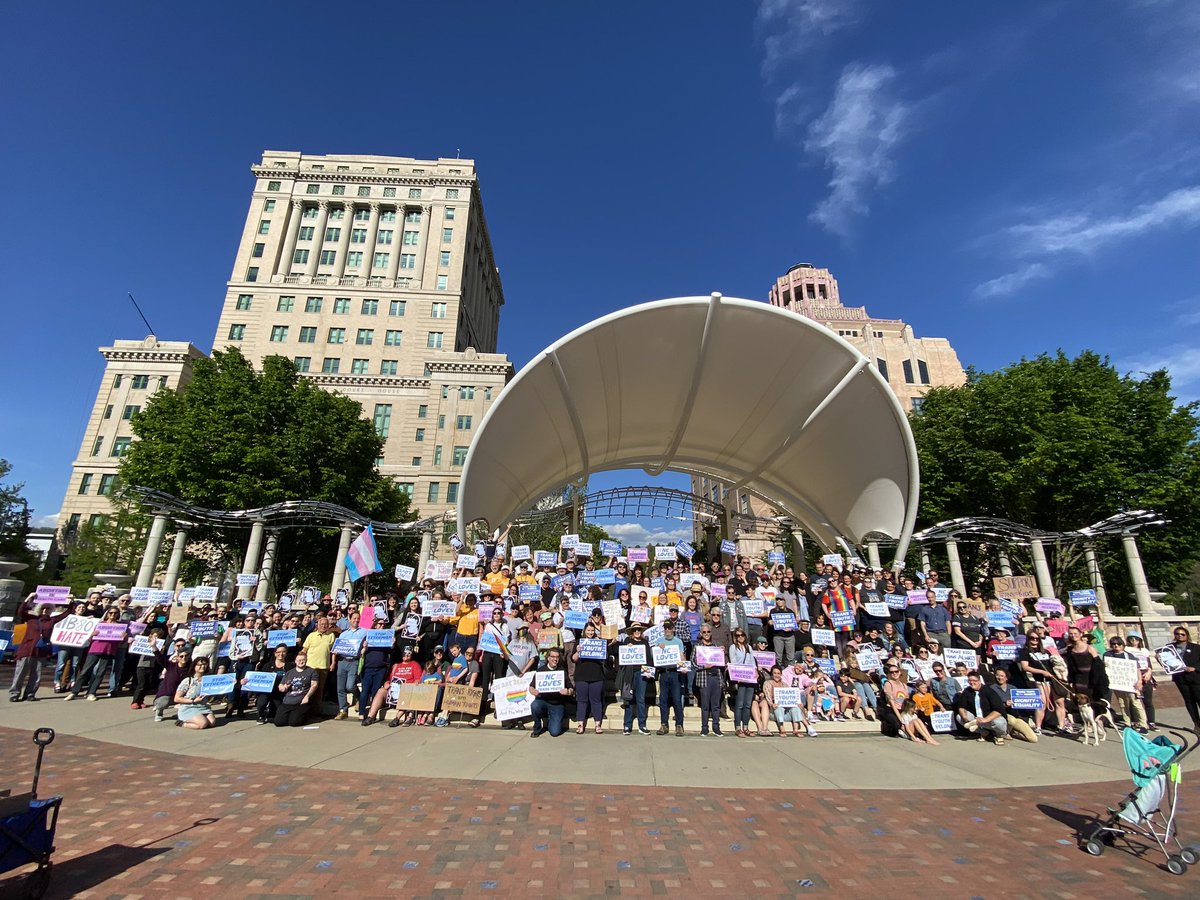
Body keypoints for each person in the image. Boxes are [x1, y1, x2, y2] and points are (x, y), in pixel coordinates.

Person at [9, 599, 65, 702]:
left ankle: (30, 693)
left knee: (36, 674)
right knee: (20, 673)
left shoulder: (51, 620)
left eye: (47, 608)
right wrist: (28, 599)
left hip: (41, 651)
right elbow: (20, 611)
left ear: (51, 610)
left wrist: (71, 602)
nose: (45, 610)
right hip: (26, 649)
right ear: (39, 609)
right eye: (43, 608)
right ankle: (15, 693)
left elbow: (66, 614)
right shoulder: (31, 618)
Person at [66, 606, 126, 701]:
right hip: (95, 649)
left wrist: (123, 637)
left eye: (115, 613)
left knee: (100, 673)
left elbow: (121, 643)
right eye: (111, 613)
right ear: (107, 614)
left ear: (118, 615)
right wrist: (92, 634)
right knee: (85, 671)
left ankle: (92, 692)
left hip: (109, 651)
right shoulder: (99, 624)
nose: (113, 615)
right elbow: (88, 638)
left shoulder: (120, 627)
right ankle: (74, 692)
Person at [1019, 632, 1069, 735]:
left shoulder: (1046, 651)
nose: (1035, 640)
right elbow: (1025, 667)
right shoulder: (1025, 651)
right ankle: (1038, 727)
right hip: (1040, 680)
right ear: (1028, 639)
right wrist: (1042, 672)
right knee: (1042, 704)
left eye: (1037, 638)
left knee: (1060, 702)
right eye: (1032, 638)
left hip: (1054, 679)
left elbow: (1054, 663)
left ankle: (1061, 726)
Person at [571, 622, 609, 734]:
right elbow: (573, 659)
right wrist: (578, 652)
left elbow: (605, 657)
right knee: (582, 701)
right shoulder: (579, 642)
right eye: (588, 630)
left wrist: (601, 646)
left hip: (596, 675)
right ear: (584, 631)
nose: (590, 633)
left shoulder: (600, 642)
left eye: (592, 630)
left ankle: (598, 725)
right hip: (581, 676)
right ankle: (580, 724)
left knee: (596, 700)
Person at [1104, 636, 1148, 732]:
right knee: (1122, 703)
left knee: (1136, 703)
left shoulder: (1129, 656)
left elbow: (1137, 669)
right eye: (1113, 644)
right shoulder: (1107, 655)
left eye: (1118, 644)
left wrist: (1139, 681)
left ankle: (1143, 725)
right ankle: (1127, 723)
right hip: (1117, 683)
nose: (1116, 646)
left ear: (1123, 645)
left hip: (1131, 683)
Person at [953, 670, 1006, 745]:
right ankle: (984, 733)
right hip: (976, 719)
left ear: (979, 681)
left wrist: (985, 719)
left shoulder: (989, 691)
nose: (972, 683)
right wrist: (965, 718)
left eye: (974, 680)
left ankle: (999, 735)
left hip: (989, 719)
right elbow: (961, 707)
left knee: (999, 722)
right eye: (970, 681)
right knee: (959, 717)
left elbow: (998, 710)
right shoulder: (967, 691)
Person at [529, 648, 573, 737]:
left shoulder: (562, 671)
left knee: (555, 732)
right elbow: (531, 687)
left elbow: (571, 689)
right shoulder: (541, 670)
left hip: (557, 704)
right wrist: (533, 691)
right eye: (552, 656)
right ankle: (537, 728)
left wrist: (568, 691)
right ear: (548, 658)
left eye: (557, 657)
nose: (555, 659)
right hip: (542, 701)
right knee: (534, 705)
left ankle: (551, 718)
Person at [655, 620, 687, 736]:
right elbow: (654, 655)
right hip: (663, 673)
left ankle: (679, 725)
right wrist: (658, 647)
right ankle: (664, 724)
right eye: (665, 628)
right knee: (663, 700)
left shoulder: (678, 641)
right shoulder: (659, 641)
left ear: (673, 629)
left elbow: (682, 657)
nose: (667, 630)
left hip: (675, 673)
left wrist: (682, 659)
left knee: (677, 700)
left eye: (669, 628)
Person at [618, 622, 651, 735]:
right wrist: (627, 647)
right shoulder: (627, 641)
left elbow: (649, 658)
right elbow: (621, 654)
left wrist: (649, 671)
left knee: (641, 699)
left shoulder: (645, 642)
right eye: (635, 630)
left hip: (641, 672)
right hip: (629, 673)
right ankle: (627, 725)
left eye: (639, 630)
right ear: (632, 632)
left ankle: (642, 725)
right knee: (629, 698)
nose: (637, 631)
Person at [693, 625, 725, 736]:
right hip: (704, 678)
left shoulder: (716, 646)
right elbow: (693, 663)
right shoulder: (697, 647)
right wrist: (703, 667)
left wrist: (721, 653)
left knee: (716, 706)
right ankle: (704, 728)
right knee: (705, 706)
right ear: (701, 633)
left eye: (708, 631)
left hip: (716, 677)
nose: (706, 633)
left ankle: (716, 727)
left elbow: (722, 663)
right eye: (704, 632)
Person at [300, 617, 336, 714]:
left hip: (323, 667)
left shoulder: (331, 635)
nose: (323, 626)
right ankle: (304, 710)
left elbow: (333, 652)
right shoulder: (311, 635)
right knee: (308, 689)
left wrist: (333, 663)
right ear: (317, 625)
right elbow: (304, 649)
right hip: (310, 666)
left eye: (325, 624)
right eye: (321, 624)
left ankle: (315, 712)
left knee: (319, 691)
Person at [274, 650, 319, 727]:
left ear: (306, 661)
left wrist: (307, 697)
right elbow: (280, 686)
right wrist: (284, 687)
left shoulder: (311, 671)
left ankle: (305, 716)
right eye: (299, 660)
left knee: (294, 722)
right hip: (288, 701)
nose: (301, 662)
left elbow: (314, 685)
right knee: (279, 723)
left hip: (301, 702)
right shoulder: (289, 673)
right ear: (295, 661)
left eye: (303, 660)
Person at [1167, 626, 1200, 730]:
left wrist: (1195, 668)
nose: (1180, 636)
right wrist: (1160, 659)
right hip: (1180, 678)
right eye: (1177, 634)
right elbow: (1167, 663)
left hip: (1195, 678)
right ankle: (1197, 724)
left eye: (1182, 634)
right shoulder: (1169, 648)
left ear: (1187, 635)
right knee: (1189, 701)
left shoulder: (1196, 647)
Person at [1124, 632, 1158, 730]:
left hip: (1146, 675)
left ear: (1140, 640)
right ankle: (1136, 721)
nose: (1134, 641)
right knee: (1134, 701)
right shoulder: (1127, 649)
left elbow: (1148, 663)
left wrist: (1149, 673)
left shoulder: (1144, 650)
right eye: (1132, 639)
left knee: (1148, 701)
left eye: (1136, 639)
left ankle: (1151, 721)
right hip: (1134, 675)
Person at [173, 657, 217, 730]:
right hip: (189, 707)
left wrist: (231, 683)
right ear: (194, 666)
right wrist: (193, 701)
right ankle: (182, 723)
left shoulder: (209, 680)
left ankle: (200, 718)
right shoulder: (188, 680)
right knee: (202, 724)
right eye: (199, 664)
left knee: (212, 723)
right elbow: (177, 698)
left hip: (203, 706)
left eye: (205, 664)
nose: (202, 666)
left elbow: (219, 689)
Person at [250, 644, 290, 724]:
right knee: (262, 700)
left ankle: (271, 711)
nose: (281, 654)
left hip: (280, 693)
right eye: (278, 652)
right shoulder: (268, 665)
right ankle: (261, 715)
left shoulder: (289, 665)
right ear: (275, 653)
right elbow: (260, 679)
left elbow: (292, 679)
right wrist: (246, 680)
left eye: (283, 652)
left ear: (286, 653)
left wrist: (287, 684)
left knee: (276, 715)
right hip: (267, 691)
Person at [764, 666, 804, 737]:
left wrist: (797, 703)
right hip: (773, 711)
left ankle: (796, 730)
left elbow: (790, 697)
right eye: (775, 673)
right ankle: (782, 729)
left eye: (778, 673)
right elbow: (767, 696)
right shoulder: (767, 683)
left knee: (796, 708)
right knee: (779, 708)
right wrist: (772, 704)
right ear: (772, 674)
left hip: (786, 711)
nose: (777, 675)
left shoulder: (784, 685)